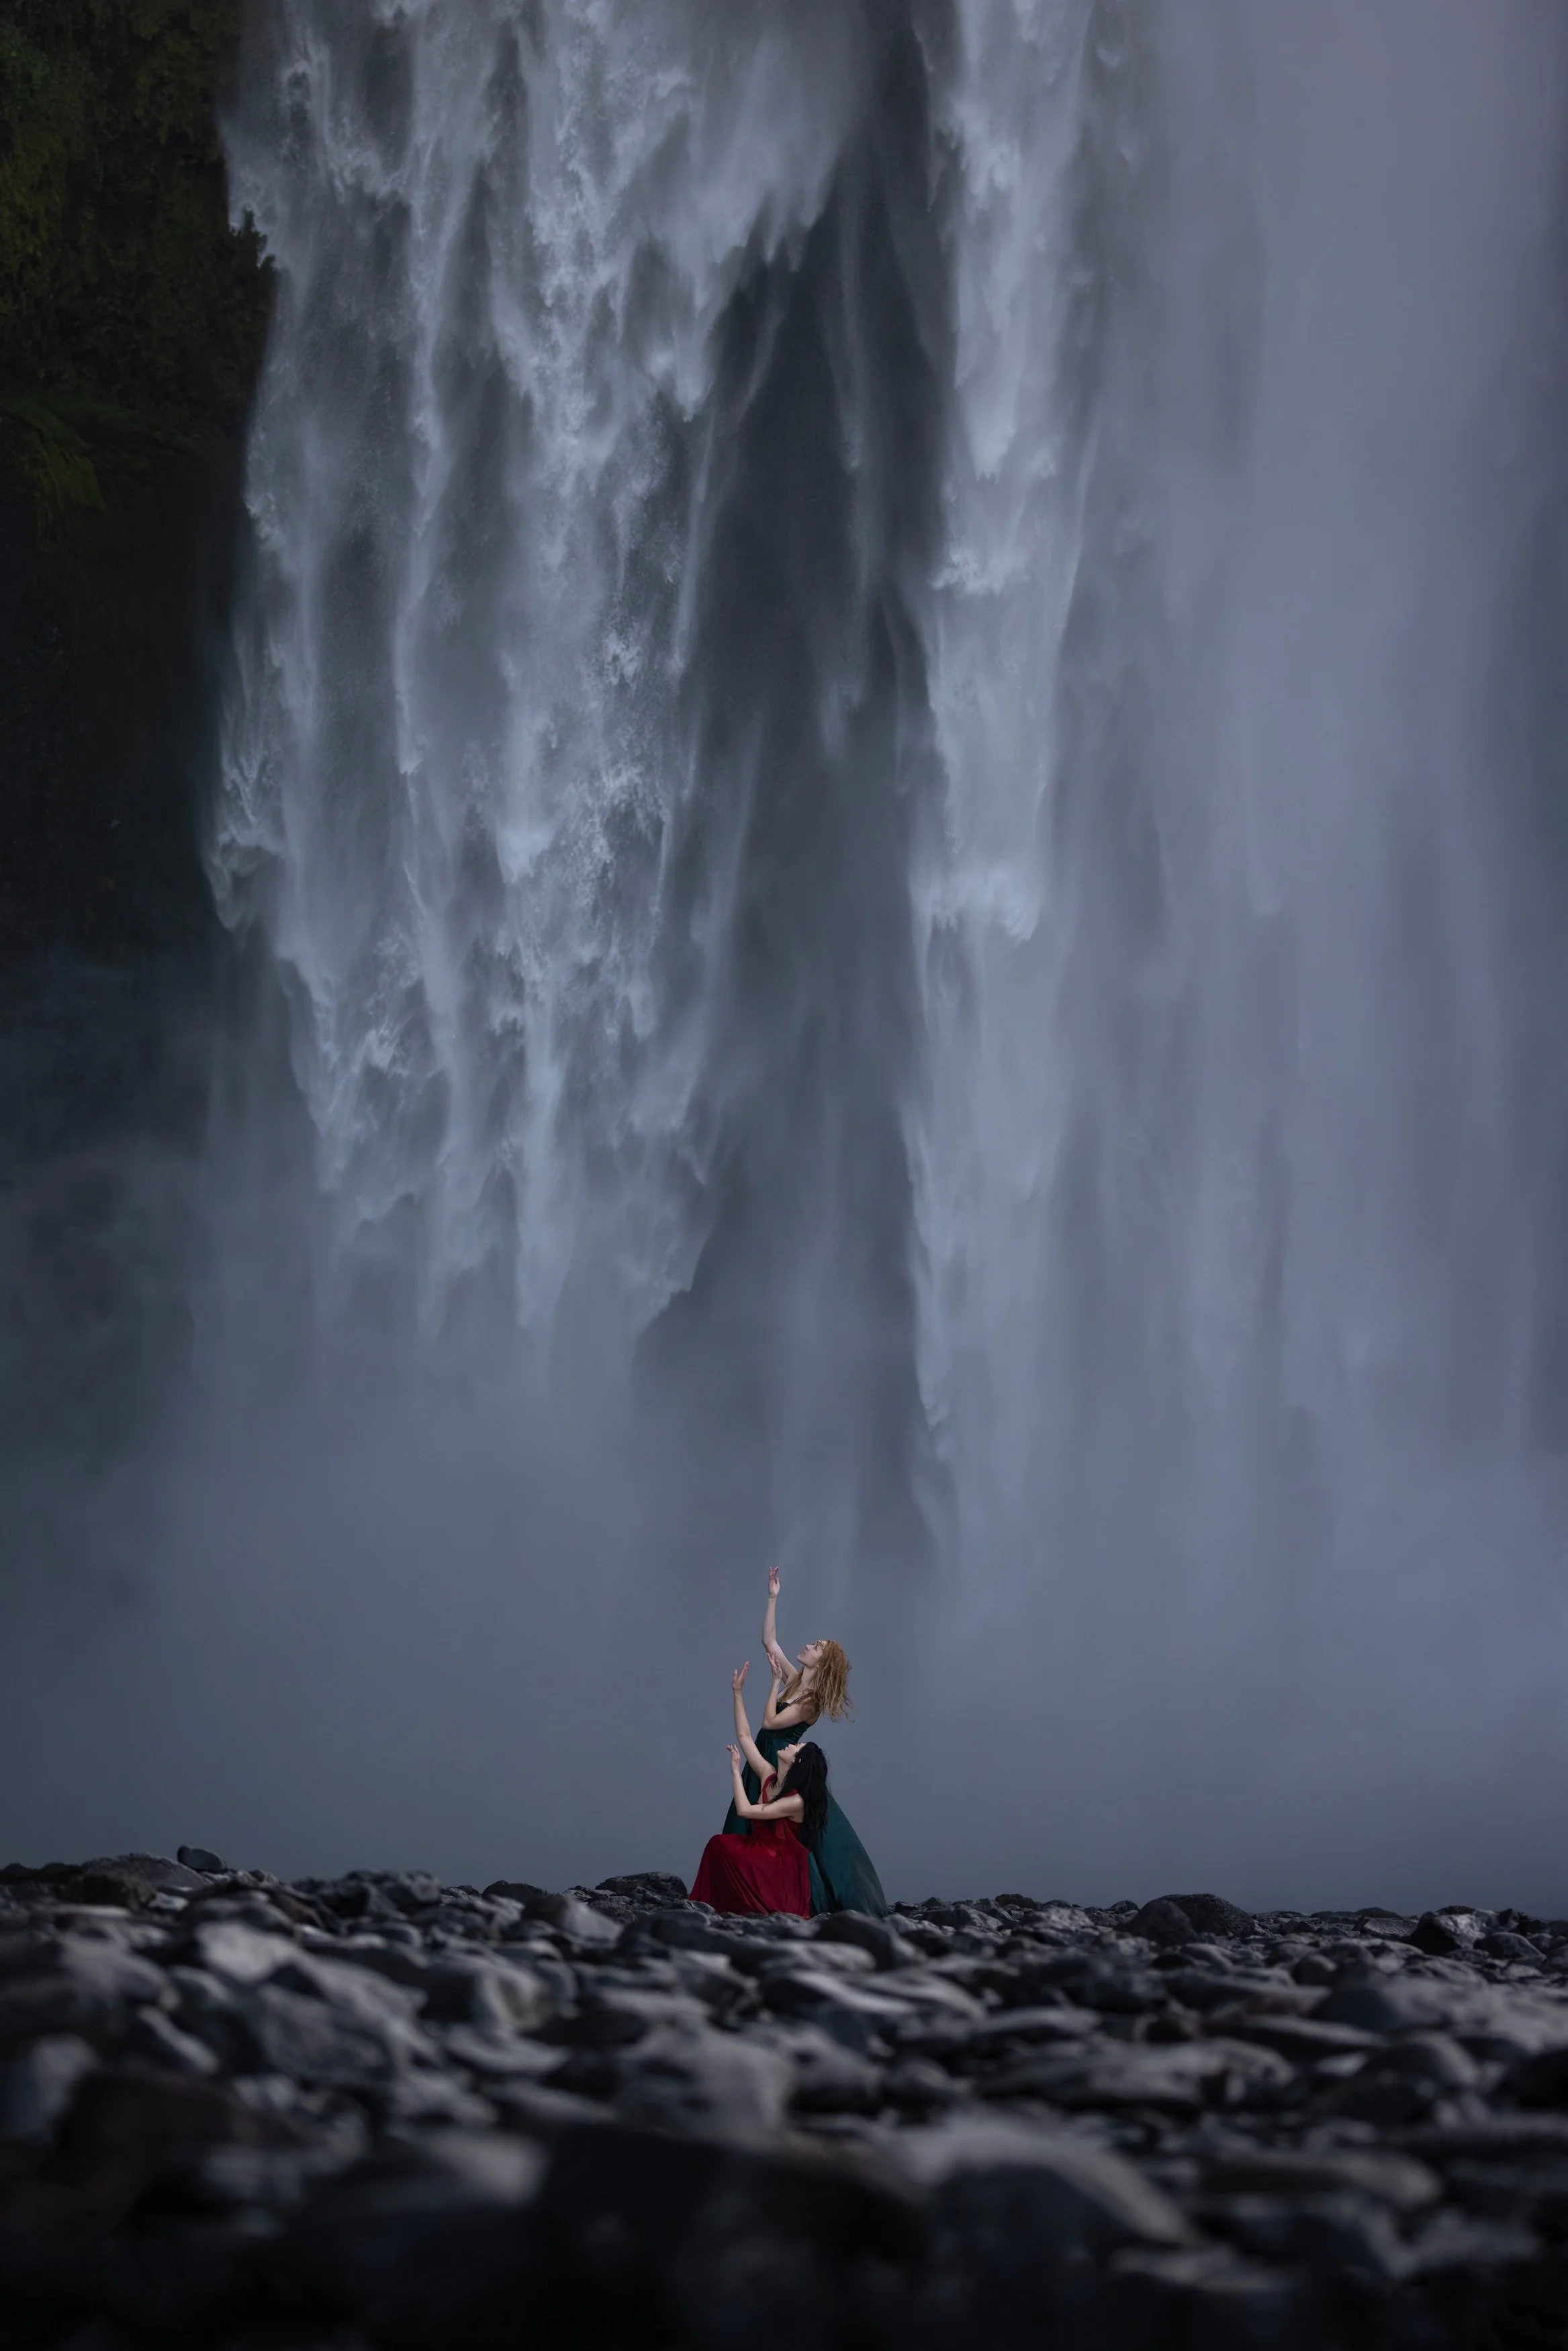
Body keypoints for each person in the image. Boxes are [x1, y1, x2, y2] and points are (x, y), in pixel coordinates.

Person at [722, 1566, 888, 1916]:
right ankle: (739, 1892)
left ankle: (782, 1896)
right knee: (751, 1822)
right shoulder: (797, 1680)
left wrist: (771, 1685)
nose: (809, 1646)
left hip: (780, 1759)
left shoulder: (811, 1702)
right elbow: (769, 1641)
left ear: (822, 1662)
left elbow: (769, 1722)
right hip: (767, 1754)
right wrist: (773, 1597)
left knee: (774, 1826)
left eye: (816, 1647)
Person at [690, 1664, 829, 1916]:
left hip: (779, 1865)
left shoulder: (796, 1801)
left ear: (798, 1763)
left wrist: (735, 1772)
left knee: (719, 1844)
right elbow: (744, 1736)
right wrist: (738, 1693)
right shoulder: (769, 1775)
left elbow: (745, 1810)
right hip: (759, 1851)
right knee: (718, 1845)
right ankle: (715, 1906)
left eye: (797, 1748)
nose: (792, 1745)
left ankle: (734, 1907)